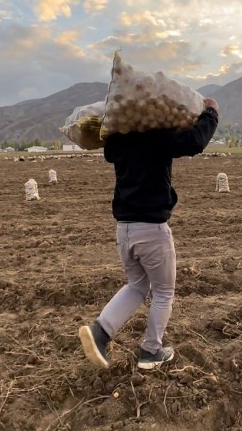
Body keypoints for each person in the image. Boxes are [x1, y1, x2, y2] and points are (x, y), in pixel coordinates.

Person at [79, 97, 219, 370]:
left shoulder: (118, 139)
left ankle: (100, 333)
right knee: (164, 291)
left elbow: (109, 147)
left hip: (124, 229)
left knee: (137, 285)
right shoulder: (157, 135)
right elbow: (194, 141)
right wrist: (211, 113)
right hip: (152, 230)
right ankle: (151, 350)